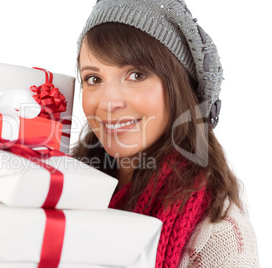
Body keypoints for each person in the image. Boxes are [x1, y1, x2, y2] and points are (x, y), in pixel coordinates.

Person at [72, 0, 259, 267]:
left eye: (136, 75)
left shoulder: (219, 235)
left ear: (179, 86)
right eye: (94, 79)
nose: (108, 102)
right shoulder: (64, 186)